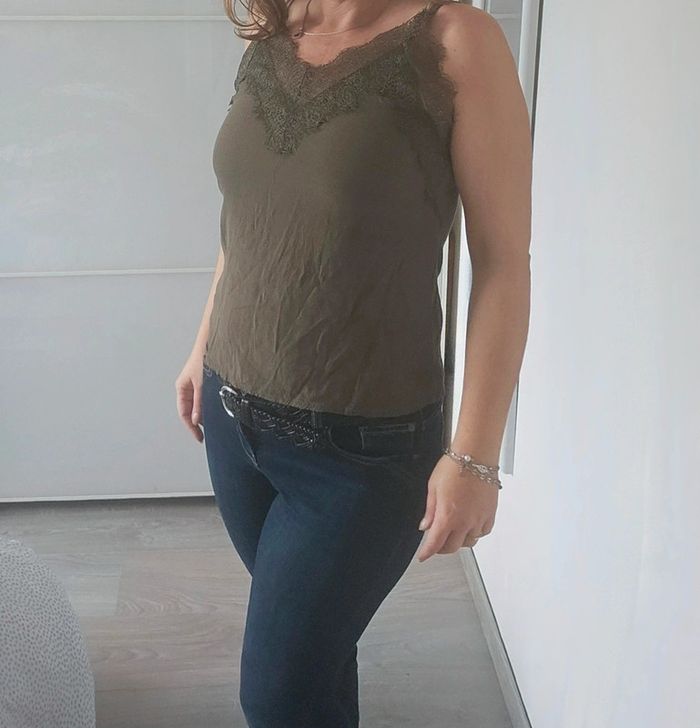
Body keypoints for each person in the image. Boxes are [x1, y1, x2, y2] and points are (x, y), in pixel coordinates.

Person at [175, 0, 532, 725]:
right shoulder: (273, 29)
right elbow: (248, 220)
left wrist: (476, 458)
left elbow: (503, 264)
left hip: (360, 457)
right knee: (316, 668)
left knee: (277, 696)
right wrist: (201, 345)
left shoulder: (455, 39)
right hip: (233, 421)